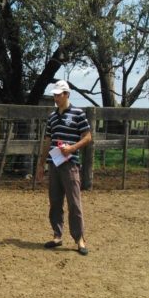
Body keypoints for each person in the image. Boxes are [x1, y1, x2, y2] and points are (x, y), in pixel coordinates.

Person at [35, 80, 92, 255]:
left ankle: (79, 238)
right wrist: (41, 164)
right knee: (55, 202)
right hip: (54, 164)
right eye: (54, 94)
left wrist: (72, 148)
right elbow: (47, 141)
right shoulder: (52, 117)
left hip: (70, 165)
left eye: (59, 94)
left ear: (67, 94)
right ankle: (57, 235)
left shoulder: (78, 114)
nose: (56, 97)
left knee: (74, 203)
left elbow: (88, 136)